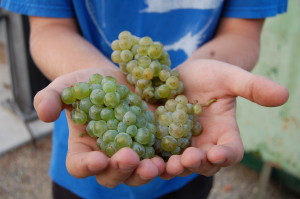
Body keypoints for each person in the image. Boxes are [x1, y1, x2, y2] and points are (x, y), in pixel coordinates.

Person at [1, 1, 289, 199]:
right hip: (85, 164)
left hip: (189, 168)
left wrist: (198, 75)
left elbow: (242, 33)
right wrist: (93, 80)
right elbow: (49, 28)